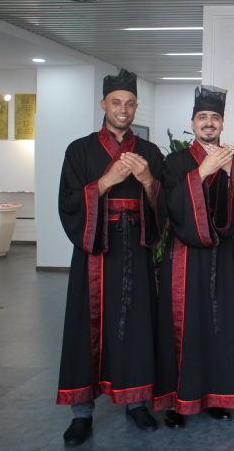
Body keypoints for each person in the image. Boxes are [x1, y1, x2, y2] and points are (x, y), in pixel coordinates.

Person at [57, 69, 163, 446]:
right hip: (95, 254)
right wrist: (106, 181)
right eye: (116, 102)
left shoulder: (150, 152)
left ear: (136, 107)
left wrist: (147, 180)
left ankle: (137, 404)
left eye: (130, 103)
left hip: (135, 249)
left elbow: (165, 207)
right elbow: (68, 202)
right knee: (85, 328)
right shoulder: (79, 150)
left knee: (137, 324)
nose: (123, 109)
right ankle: (81, 414)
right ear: (103, 104)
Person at [153, 86, 234, 428]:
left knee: (218, 323)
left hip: (219, 254)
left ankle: (215, 396)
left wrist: (230, 174)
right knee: (184, 324)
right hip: (184, 254)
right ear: (193, 123)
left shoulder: (232, 160)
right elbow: (170, 205)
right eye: (202, 117)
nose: (209, 123)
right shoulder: (175, 162)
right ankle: (177, 402)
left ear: (222, 123)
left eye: (215, 117)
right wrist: (203, 172)